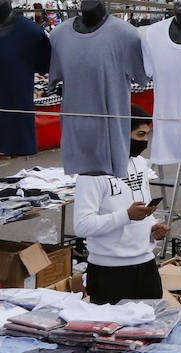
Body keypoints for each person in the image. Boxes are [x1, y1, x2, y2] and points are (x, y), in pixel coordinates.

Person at [72, 106, 170, 304]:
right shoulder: (92, 171)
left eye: (147, 135)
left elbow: (139, 207)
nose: (144, 141)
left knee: (151, 330)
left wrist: (152, 228)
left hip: (146, 265)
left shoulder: (140, 163)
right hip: (109, 272)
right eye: (140, 134)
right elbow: (82, 226)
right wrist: (127, 216)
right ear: (119, 133)